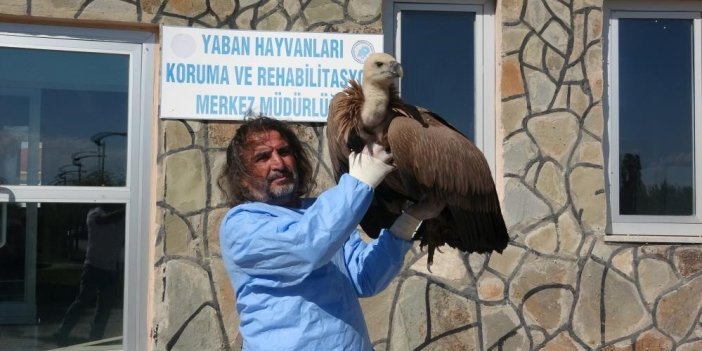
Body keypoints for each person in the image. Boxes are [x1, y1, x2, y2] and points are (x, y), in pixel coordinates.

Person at [218, 116, 444, 350]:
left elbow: (365, 279)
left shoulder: (320, 213)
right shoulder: (240, 224)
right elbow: (307, 247)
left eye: (284, 151)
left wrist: (409, 220)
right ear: (243, 179)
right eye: (262, 157)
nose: (278, 163)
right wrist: (359, 181)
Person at [53, 204, 125, 344]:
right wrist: (128, 207)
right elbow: (105, 219)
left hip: (111, 270)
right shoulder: (94, 214)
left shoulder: (122, 218)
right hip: (93, 267)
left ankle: (96, 338)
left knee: (104, 308)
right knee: (82, 302)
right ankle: (62, 332)